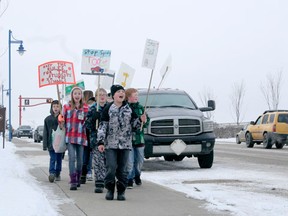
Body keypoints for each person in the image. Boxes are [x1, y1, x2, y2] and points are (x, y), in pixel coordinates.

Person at [97, 84, 147, 201]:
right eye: (118, 92)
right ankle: (110, 189)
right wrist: (100, 142)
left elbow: (135, 126)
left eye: (122, 92)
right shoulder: (108, 108)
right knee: (111, 167)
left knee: (123, 169)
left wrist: (140, 120)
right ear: (113, 95)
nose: (121, 93)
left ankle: (121, 191)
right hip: (110, 144)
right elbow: (102, 126)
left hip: (125, 144)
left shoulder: (129, 109)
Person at [62, 86, 89, 190]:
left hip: (81, 137)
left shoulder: (85, 107)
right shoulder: (66, 107)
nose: (77, 95)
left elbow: (89, 120)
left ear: (81, 96)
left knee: (80, 160)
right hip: (70, 137)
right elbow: (62, 120)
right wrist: (61, 120)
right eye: (75, 93)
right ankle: (73, 179)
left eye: (79, 93)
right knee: (72, 158)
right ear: (72, 95)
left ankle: (78, 177)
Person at [125, 88, 150, 188]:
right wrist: (138, 120)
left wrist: (145, 121)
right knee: (130, 161)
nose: (136, 97)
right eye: (133, 95)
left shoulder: (141, 108)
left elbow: (146, 123)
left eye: (137, 95)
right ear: (128, 97)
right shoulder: (126, 108)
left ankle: (137, 174)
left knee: (139, 160)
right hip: (129, 139)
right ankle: (129, 178)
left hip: (139, 138)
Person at [85, 88, 108, 193]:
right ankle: (99, 181)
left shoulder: (110, 107)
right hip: (96, 139)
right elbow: (87, 125)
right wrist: (93, 118)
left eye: (104, 94)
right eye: (100, 95)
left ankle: (108, 180)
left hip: (109, 139)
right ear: (96, 97)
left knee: (108, 162)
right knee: (98, 161)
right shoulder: (92, 108)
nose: (102, 96)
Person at [43, 100, 63, 182]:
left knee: (59, 159)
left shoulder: (62, 117)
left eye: (57, 106)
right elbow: (45, 132)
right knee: (53, 158)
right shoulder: (47, 119)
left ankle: (57, 173)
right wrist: (45, 145)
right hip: (51, 143)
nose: (56, 108)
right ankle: (52, 173)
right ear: (51, 108)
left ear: (60, 107)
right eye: (54, 106)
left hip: (60, 143)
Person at [79, 90, 94, 184]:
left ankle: (88, 171)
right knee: (85, 154)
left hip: (91, 133)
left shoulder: (94, 106)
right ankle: (85, 171)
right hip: (84, 133)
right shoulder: (82, 107)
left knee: (89, 154)